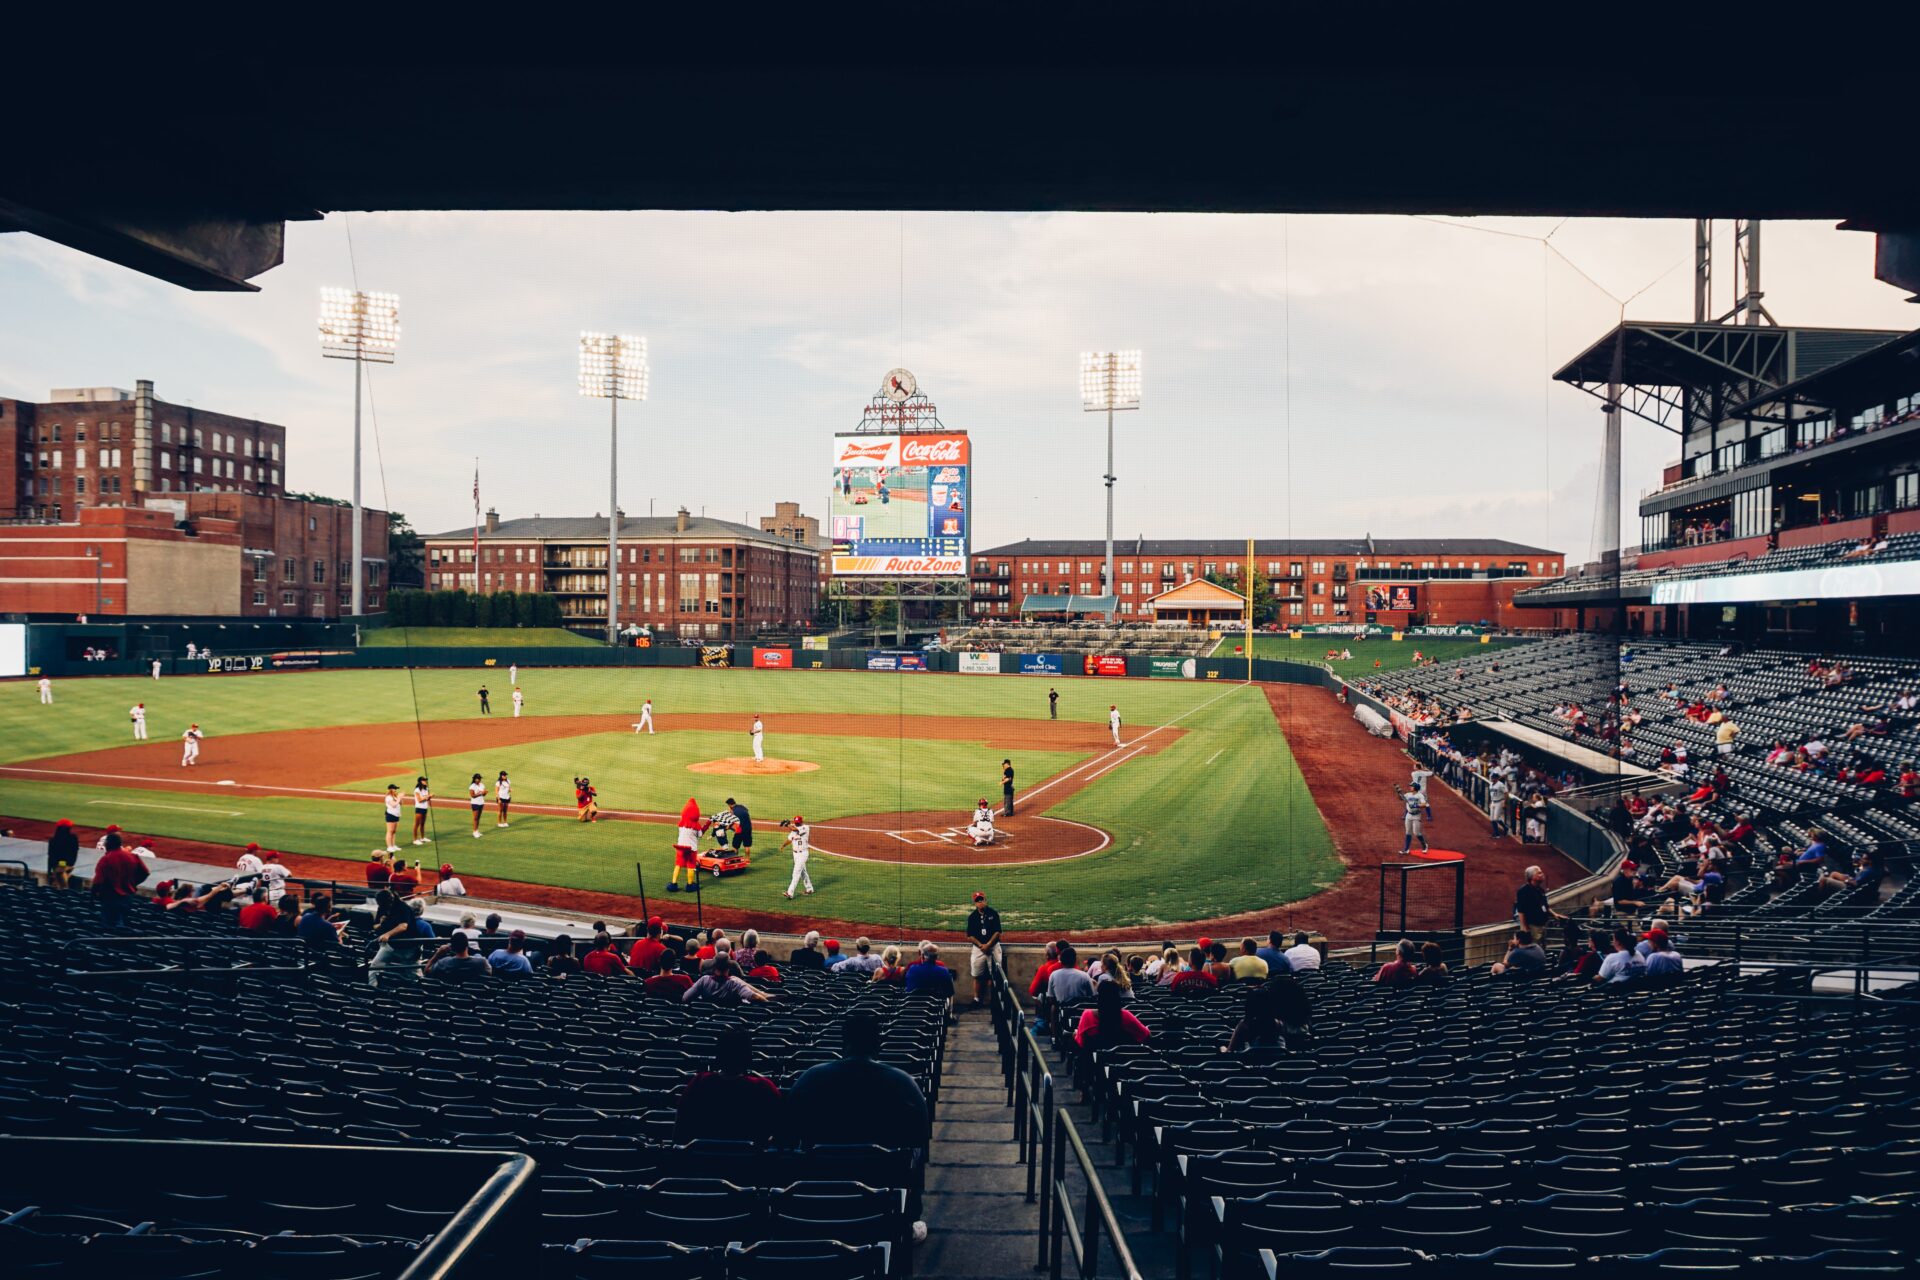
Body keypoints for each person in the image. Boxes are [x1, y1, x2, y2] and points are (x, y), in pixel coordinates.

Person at [782, 1014, 932, 1242]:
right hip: (880, 1185)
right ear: (878, 1044)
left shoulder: (810, 1079)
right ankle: (908, 1220)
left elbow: (788, 1135)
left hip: (819, 1189)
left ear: (843, 1043)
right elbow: (920, 1136)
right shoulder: (903, 1084)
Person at [675, 1029, 782, 1143]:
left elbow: (679, 1132)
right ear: (749, 1057)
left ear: (718, 1056)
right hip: (750, 1159)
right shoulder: (764, 1088)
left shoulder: (699, 1083)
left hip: (703, 1158)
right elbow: (781, 1131)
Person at [90, 832, 148, 929]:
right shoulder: (132, 856)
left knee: (108, 925)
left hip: (110, 897)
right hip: (127, 897)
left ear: (109, 844)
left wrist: (92, 896)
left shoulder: (106, 859)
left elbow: (97, 881)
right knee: (121, 921)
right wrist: (133, 883)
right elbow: (145, 872)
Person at [1075, 980, 1150, 1050]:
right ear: (1117, 996)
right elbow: (1146, 1035)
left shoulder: (1087, 1015)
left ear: (1099, 997)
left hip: (1092, 1061)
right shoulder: (1125, 1016)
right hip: (1121, 1060)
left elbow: (1080, 1042)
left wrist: (1076, 1034)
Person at [683, 955, 773, 1004]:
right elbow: (755, 997)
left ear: (714, 967)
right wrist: (769, 1004)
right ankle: (765, 994)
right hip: (730, 1021)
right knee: (735, 978)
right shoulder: (734, 983)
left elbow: (685, 998)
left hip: (707, 1021)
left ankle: (765, 994)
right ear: (729, 968)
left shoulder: (704, 980)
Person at [964, 891, 1003, 1005]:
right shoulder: (972, 917)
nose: (980, 902)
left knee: (995, 974)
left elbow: (997, 932)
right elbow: (970, 936)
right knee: (976, 975)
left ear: (986, 901)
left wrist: (988, 945)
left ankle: (994, 1000)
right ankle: (976, 999)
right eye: (977, 900)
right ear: (975, 903)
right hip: (978, 948)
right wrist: (981, 945)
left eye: (982, 900)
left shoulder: (993, 914)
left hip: (993, 946)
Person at [1513, 865, 1564, 936]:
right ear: (1532, 877)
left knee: (1541, 946)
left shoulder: (1540, 890)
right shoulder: (1524, 891)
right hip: (1532, 927)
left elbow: (1545, 906)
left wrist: (1554, 914)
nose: (1542, 874)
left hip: (1542, 925)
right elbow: (1521, 910)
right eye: (1539, 873)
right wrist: (1524, 927)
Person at [671, 796, 703, 893]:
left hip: (680, 848)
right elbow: (700, 835)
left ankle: (673, 884)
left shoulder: (681, 824)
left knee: (678, 865)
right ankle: (689, 885)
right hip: (691, 849)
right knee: (690, 866)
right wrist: (705, 826)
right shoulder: (696, 826)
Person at [782, 815, 813, 899]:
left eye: (798, 823)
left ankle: (790, 893)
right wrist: (783, 846)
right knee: (803, 872)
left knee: (796, 873)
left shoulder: (805, 828)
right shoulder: (793, 831)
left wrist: (787, 825)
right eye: (796, 823)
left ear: (801, 822)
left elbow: (794, 829)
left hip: (803, 854)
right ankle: (809, 889)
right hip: (795, 854)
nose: (797, 824)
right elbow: (789, 839)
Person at [46, 818, 79, 890]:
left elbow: (50, 855)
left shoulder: (53, 840)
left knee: (59, 878)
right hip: (67, 864)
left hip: (57, 865)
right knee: (62, 884)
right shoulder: (73, 838)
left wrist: (49, 870)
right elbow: (75, 852)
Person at [1399, 785, 1429, 853]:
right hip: (1408, 815)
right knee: (1408, 832)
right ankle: (1406, 850)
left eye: (1412, 786)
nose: (1410, 787)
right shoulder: (1408, 794)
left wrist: (1416, 805)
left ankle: (1424, 845)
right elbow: (1401, 798)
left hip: (1417, 815)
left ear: (1415, 788)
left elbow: (1424, 804)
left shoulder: (1420, 795)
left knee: (1416, 833)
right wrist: (1399, 793)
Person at [411, 777, 432, 846]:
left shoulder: (426, 789)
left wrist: (430, 797)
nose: (425, 781)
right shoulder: (417, 790)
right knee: (416, 824)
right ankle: (415, 840)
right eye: (424, 780)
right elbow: (419, 800)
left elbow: (427, 799)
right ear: (420, 781)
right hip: (419, 808)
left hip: (425, 808)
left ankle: (422, 838)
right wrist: (427, 796)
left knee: (422, 824)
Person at [381, 785, 403, 852]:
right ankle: (389, 846)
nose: (396, 790)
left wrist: (400, 798)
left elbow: (401, 803)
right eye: (395, 789)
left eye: (396, 789)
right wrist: (399, 797)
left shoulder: (395, 796)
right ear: (390, 789)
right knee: (390, 831)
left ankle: (393, 845)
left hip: (396, 815)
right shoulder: (388, 797)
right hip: (390, 815)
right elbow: (393, 805)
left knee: (394, 831)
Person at [467, 773, 487, 838]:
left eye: (480, 778)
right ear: (475, 779)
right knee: (475, 818)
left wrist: (484, 793)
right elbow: (472, 795)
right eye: (478, 778)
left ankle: (477, 831)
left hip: (481, 803)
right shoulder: (472, 786)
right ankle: (474, 832)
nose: (479, 779)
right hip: (475, 803)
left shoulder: (482, 785)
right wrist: (481, 793)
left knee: (478, 818)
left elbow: (483, 794)